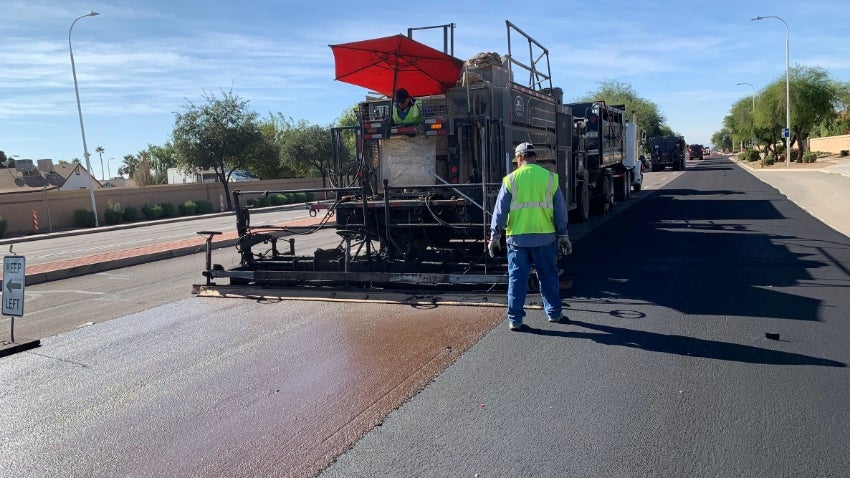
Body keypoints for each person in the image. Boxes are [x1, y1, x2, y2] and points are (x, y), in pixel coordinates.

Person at [488, 142, 572, 331]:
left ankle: (515, 319)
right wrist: (563, 234)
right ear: (534, 157)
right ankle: (554, 313)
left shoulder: (510, 179)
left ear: (519, 158)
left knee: (517, 279)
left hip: (517, 239)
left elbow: (500, 211)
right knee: (548, 276)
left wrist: (494, 236)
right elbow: (560, 210)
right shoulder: (550, 178)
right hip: (545, 237)